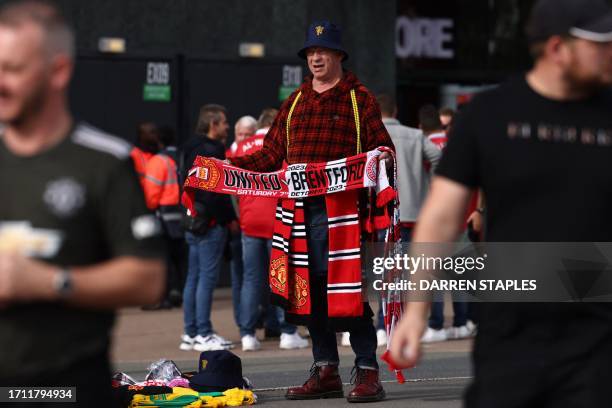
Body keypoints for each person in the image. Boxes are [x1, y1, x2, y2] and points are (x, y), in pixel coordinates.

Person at [390, 0, 612, 406]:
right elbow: (440, 219)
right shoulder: (489, 116)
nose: (610, 52)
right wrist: (417, 312)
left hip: (598, 341)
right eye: (600, 43)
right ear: (557, 49)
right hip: (511, 335)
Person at [0, 1, 165, 406]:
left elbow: (148, 279)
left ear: (58, 71)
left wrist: (49, 282)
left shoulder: (102, 162)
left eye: (13, 69)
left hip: (60, 386)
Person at [230, 20, 393, 403]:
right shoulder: (295, 102)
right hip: (299, 217)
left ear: (338, 56)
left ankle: (367, 371)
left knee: (348, 296)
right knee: (311, 296)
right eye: (310, 53)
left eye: (322, 52)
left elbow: (382, 148)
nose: (316, 58)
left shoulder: (360, 99)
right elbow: (271, 155)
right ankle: (326, 371)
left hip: (342, 217)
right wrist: (227, 168)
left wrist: (382, 158)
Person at [179, 104, 237, 352]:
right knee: (205, 278)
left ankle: (191, 332)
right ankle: (203, 332)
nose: (227, 126)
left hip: (192, 219)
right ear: (213, 124)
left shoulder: (188, 146)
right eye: (224, 122)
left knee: (193, 277)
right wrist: (228, 218)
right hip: (209, 222)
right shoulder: (212, 149)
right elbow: (216, 190)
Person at [142, 126, 185, 310]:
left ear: (159, 141)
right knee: (179, 259)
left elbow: (151, 194)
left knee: (162, 259)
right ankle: (178, 294)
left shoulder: (158, 161)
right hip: (182, 214)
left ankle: (163, 298)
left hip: (163, 215)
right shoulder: (182, 157)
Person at [226, 115, 257, 329]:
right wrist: (233, 218)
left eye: (248, 134)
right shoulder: (229, 155)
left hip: (250, 223)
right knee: (242, 277)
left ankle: (264, 322)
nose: (244, 138)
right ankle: (243, 323)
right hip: (237, 224)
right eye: (240, 134)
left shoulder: (258, 155)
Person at [131, 122, 161, 188]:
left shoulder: (158, 154)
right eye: (152, 132)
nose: (156, 136)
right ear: (142, 135)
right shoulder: (134, 154)